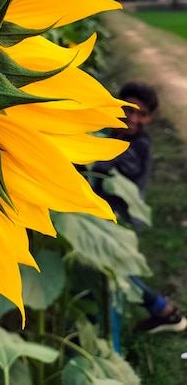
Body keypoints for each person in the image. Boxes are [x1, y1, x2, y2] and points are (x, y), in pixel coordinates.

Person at [92, 82, 187, 334]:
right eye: (128, 110)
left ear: (150, 118)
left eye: (141, 114)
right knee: (110, 267)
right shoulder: (116, 134)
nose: (132, 118)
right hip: (107, 216)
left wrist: (86, 150)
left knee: (115, 269)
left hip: (122, 219)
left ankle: (163, 310)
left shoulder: (140, 146)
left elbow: (108, 165)